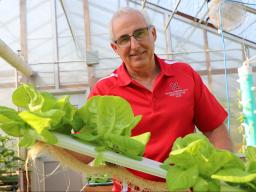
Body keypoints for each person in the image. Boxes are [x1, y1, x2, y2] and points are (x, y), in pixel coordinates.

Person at [79, 7, 233, 192]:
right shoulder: (104, 90)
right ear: (115, 48)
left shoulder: (184, 74)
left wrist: (219, 174)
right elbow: (83, 151)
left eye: (140, 33)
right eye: (124, 39)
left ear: (153, 34)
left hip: (185, 188)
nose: (134, 45)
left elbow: (215, 129)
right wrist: (44, 133)